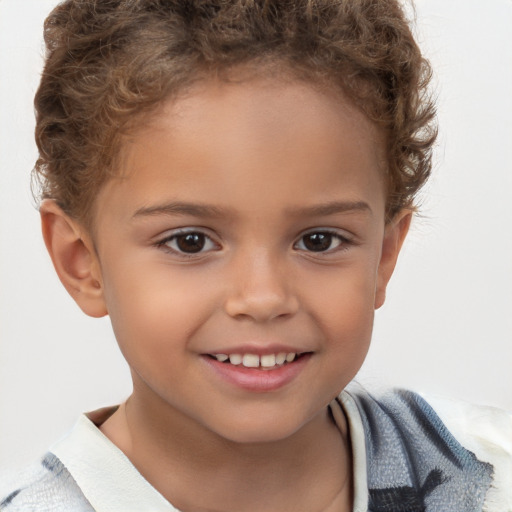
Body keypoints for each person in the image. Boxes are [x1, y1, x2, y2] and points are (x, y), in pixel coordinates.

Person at [1, 1, 510, 511]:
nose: (263, 298)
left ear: (383, 255)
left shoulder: (493, 479)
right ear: (81, 262)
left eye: (319, 240)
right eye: (190, 242)